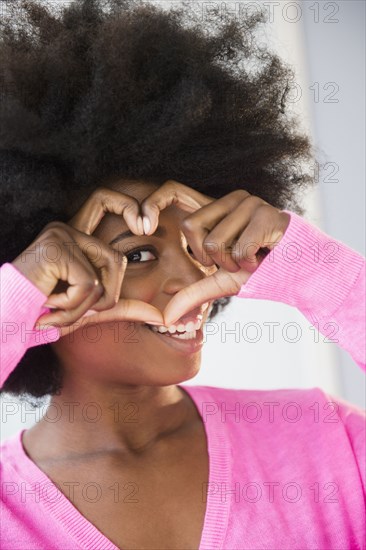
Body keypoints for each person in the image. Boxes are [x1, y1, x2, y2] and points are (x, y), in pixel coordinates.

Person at [0, 1, 364, 549]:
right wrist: (16, 301)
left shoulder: (324, 441)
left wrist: (318, 276)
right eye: (140, 255)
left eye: (197, 244)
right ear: (53, 278)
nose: (189, 278)